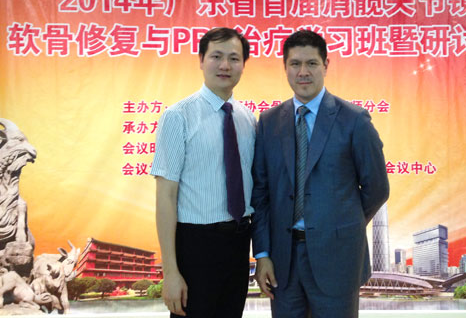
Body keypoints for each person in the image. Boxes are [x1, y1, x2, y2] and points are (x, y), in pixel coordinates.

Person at [251, 30, 389, 318]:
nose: (303, 72)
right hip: (283, 261)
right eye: (295, 63)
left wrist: (339, 224)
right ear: (285, 67)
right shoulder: (269, 122)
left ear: (326, 65)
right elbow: (261, 194)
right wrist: (262, 254)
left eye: (312, 63)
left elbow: (377, 188)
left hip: (338, 257)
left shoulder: (354, 120)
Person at [150, 27, 256, 318]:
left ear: (243, 65)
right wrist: (170, 272)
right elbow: (166, 196)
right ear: (201, 60)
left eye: (234, 58)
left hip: (239, 243)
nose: (225, 65)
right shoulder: (178, 116)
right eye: (216, 56)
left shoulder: (248, 119)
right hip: (195, 246)